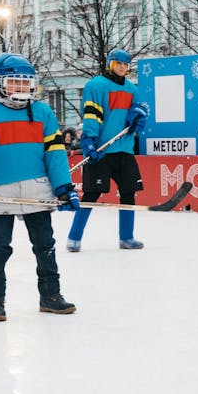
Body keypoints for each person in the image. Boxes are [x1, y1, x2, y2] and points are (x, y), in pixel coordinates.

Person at [0, 53, 80, 321]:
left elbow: (55, 153)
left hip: (38, 189)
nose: (22, 88)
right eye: (15, 82)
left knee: (45, 245)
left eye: (26, 82)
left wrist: (63, 187)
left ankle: (51, 296)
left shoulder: (43, 112)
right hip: (1, 192)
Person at [66, 48, 150, 252]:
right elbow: (92, 115)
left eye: (126, 64)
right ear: (110, 64)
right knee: (91, 195)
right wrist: (88, 141)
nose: (122, 67)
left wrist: (138, 117)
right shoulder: (96, 86)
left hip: (124, 149)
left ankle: (126, 237)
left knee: (129, 193)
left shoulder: (132, 89)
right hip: (101, 149)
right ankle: (74, 238)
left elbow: (136, 113)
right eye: (118, 63)